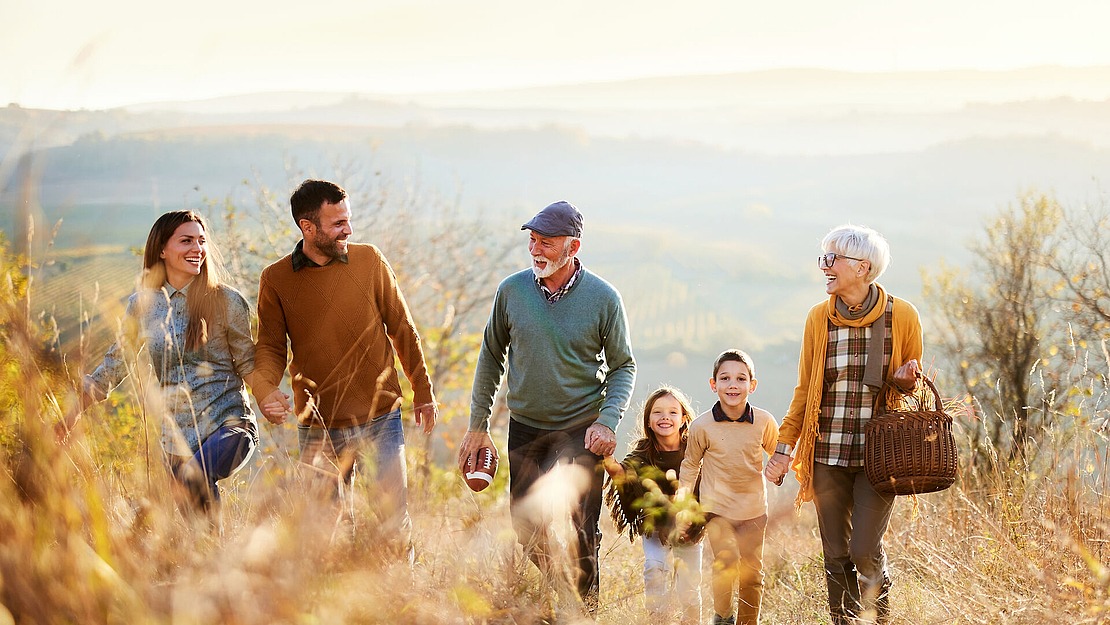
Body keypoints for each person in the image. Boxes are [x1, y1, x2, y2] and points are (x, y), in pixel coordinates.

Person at [458, 200, 636, 614]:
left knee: (582, 527)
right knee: (524, 524)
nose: (536, 250)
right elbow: (490, 356)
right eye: (532, 241)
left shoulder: (604, 298)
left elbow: (623, 366)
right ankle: (563, 595)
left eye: (547, 243)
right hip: (526, 425)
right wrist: (478, 424)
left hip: (581, 427)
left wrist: (608, 422)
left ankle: (586, 613)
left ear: (573, 247)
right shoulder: (512, 291)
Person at [252, 179, 437, 555]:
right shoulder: (276, 279)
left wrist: (423, 391)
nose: (348, 230)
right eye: (337, 223)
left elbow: (402, 328)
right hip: (318, 423)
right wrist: (266, 389)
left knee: (391, 520)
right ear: (308, 227)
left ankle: (404, 597)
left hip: (380, 416)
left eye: (348, 220)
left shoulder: (369, 260)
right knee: (323, 530)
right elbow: (270, 344)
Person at [763, 224, 922, 625]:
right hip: (828, 454)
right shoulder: (819, 318)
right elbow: (805, 392)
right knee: (835, 552)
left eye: (833, 259)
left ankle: (878, 618)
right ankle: (844, 621)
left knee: (864, 550)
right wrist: (784, 451)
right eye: (825, 258)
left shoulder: (902, 316)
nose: (825, 267)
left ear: (862, 267)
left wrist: (905, 385)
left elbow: (915, 393)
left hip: (879, 458)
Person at [56, 210, 259, 512]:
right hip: (175, 438)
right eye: (187, 241)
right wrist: (68, 418)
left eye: (202, 241)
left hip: (228, 424)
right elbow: (115, 364)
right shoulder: (142, 304)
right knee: (195, 524)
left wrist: (271, 396)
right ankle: (213, 557)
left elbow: (248, 363)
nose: (197, 249)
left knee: (197, 477)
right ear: (162, 249)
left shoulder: (227, 300)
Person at [680, 349, 778, 625]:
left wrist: (779, 471)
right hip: (717, 510)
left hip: (754, 510)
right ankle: (722, 617)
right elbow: (690, 465)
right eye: (725, 378)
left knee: (752, 572)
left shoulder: (764, 421)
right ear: (713, 385)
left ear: (752, 385)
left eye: (740, 378)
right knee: (725, 563)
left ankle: (748, 622)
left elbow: (778, 454)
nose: (733, 385)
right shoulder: (701, 426)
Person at [602, 385, 702, 623]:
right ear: (648, 420)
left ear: (684, 418)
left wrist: (693, 520)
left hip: (690, 528)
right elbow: (623, 474)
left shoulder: (694, 451)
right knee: (654, 567)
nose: (665, 417)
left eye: (672, 412)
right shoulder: (642, 453)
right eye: (657, 412)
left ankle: (691, 621)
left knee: (688, 586)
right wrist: (607, 458)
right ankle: (657, 618)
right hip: (655, 527)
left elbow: (707, 486)